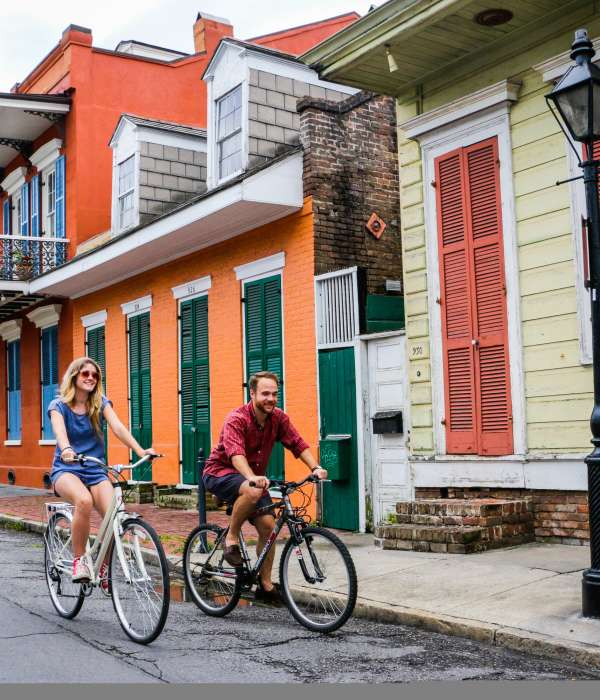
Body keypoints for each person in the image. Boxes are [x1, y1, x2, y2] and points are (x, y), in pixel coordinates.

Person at [203, 371, 327, 604]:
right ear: (252, 393)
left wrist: (315, 467)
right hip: (219, 472)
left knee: (269, 527)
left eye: (275, 394)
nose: (271, 398)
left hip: (254, 479)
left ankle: (265, 584)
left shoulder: (278, 418)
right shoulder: (237, 419)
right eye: (265, 394)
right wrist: (251, 478)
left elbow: (297, 444)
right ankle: (230, 538)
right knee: (252, 490)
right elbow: (235, 454)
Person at [49, 356, 157, 584]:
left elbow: (117, 427)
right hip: (66, 469)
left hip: (95, 469)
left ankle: (104, 568)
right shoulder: (58, 406)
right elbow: (60, 432)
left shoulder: (100, 403)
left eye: (95, 375)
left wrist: (140, 451)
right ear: (74, 376)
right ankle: (80, 560)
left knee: (114, 515)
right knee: (84, 501)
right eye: (85, 374)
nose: (91, 378)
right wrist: (66, 449)